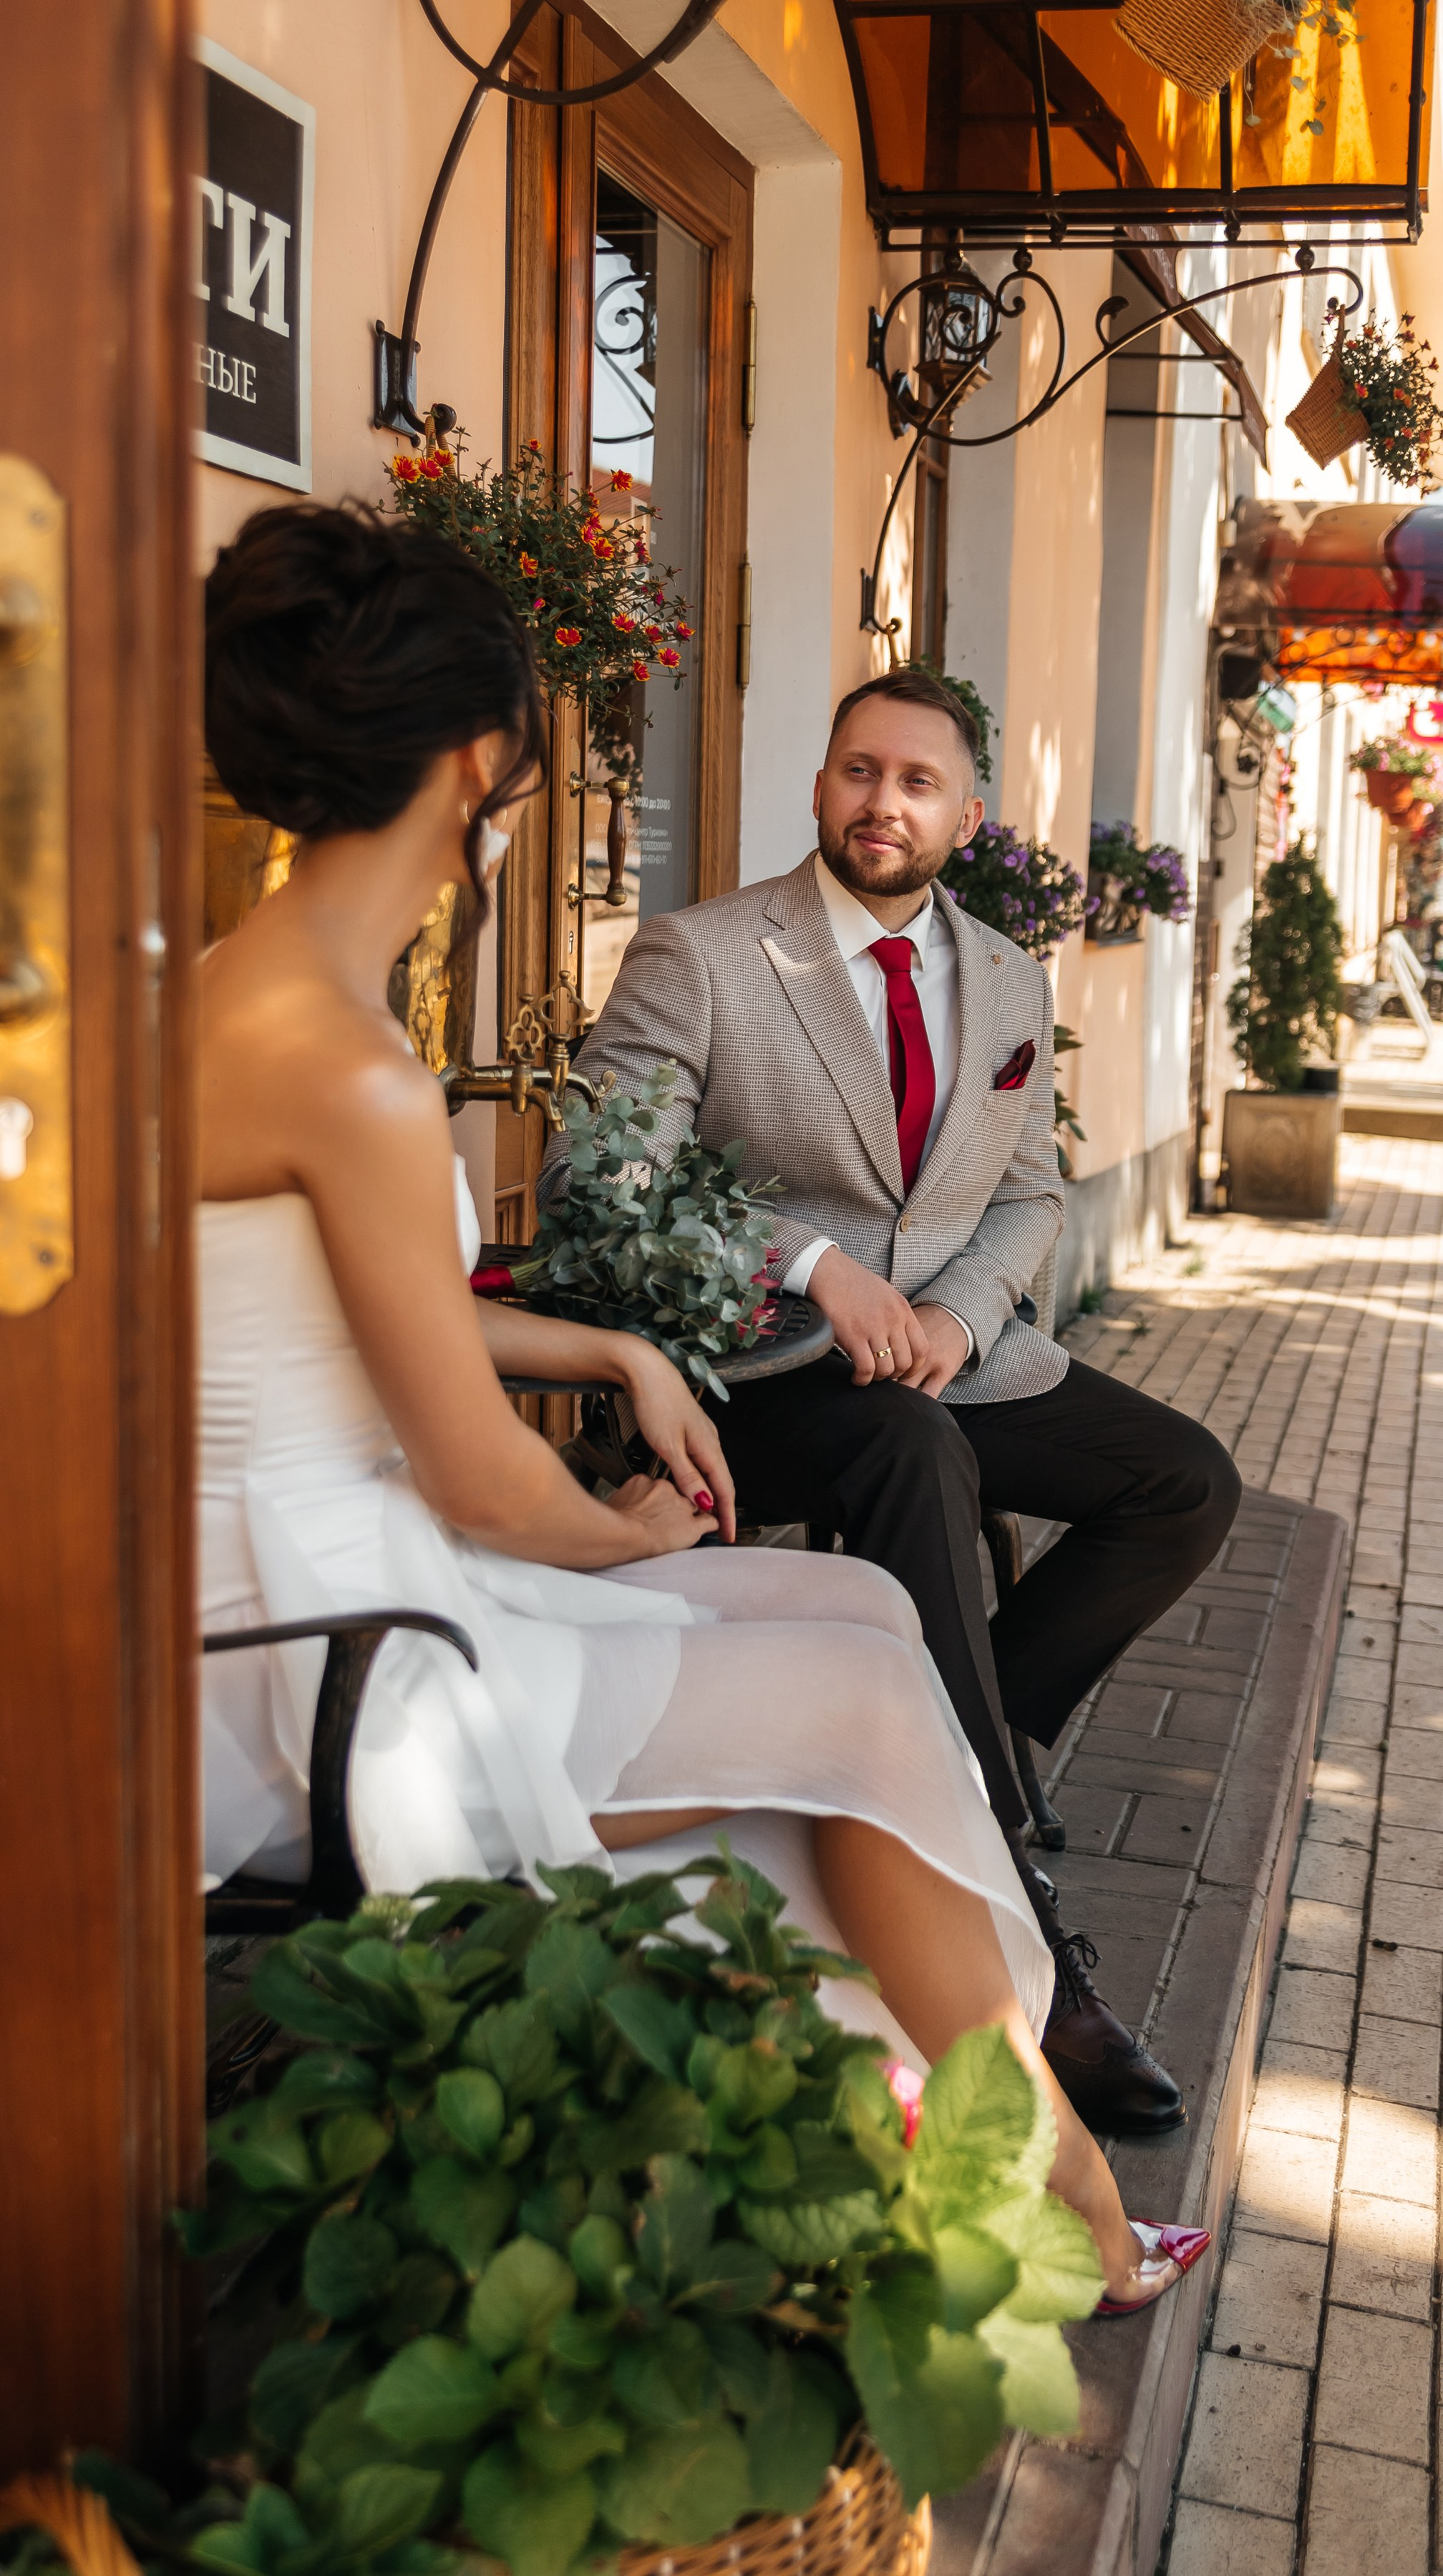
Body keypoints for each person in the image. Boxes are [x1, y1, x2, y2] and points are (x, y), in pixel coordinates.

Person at [195, 497, 1203, 2313]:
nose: (881, 803)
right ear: (477, 765)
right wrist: (634, 1526)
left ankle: (959, 2143)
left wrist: (610, 1354)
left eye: (920, 780)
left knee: (879, 1609)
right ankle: (1061, 2191)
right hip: (326, 1630)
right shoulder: (358, 1056)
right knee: (851, 1693)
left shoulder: (245, 1000)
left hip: (322, 1549)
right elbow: (492, 1480)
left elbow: (349, 1319)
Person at [547, 668, 1243, 2138]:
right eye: (860, 772)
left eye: (919, 782)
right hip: (752, 1377)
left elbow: (1034, 1195)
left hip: (947, 1358)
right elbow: (601, 1180)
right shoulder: (706, 953)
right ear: (820, 787)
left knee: (1183, 1481)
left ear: (968, 814)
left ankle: (950, 1733)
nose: (884, 803)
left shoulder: (1006, 977)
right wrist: (810, 1265)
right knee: (913, 1454)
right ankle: (1032, 1949)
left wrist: (954, 1312)